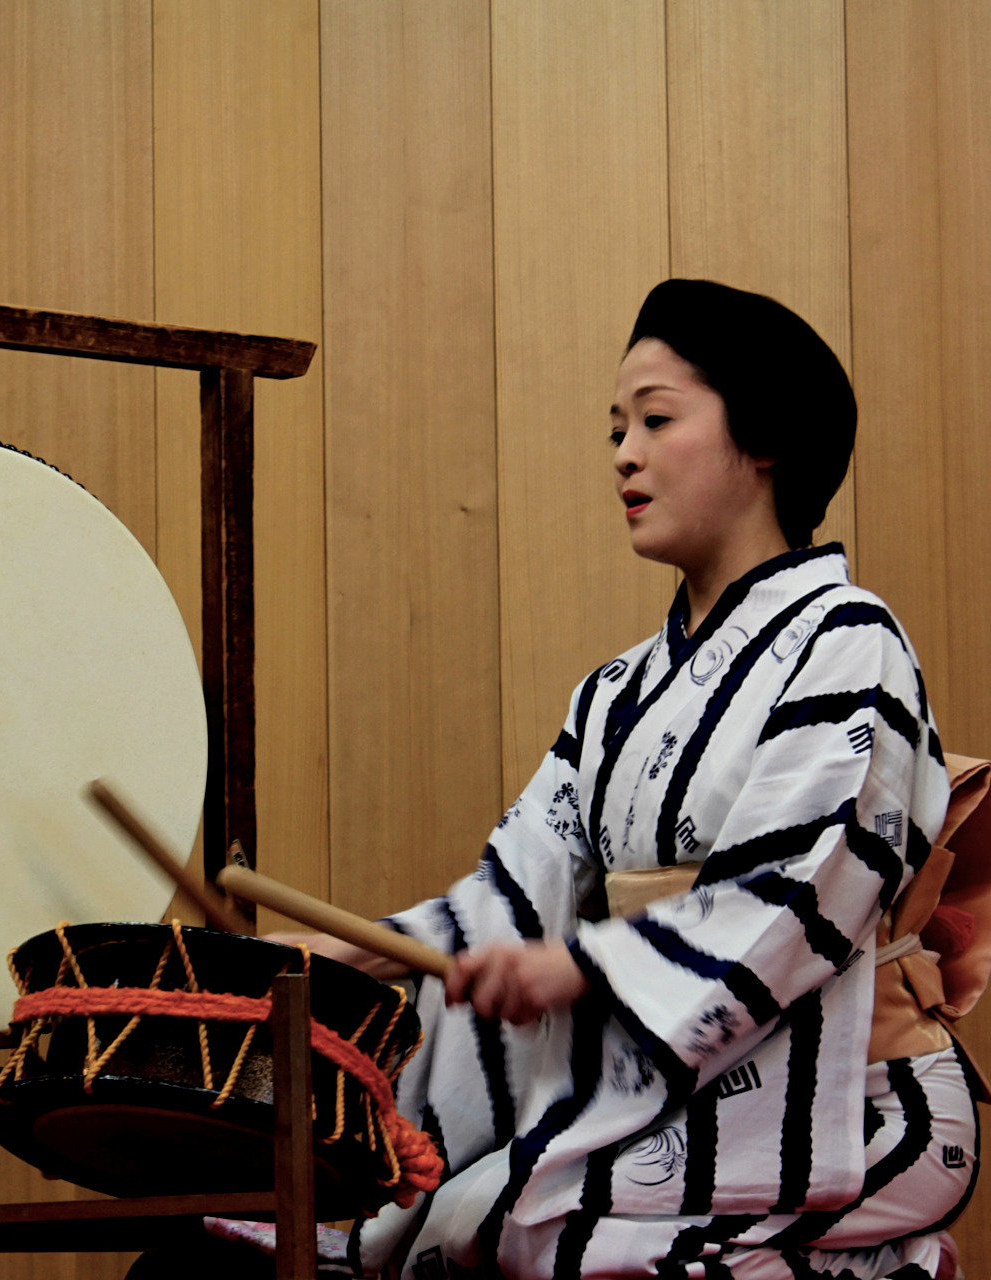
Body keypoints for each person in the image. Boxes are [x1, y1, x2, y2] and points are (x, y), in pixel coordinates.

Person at [285, 280, 980, 1279]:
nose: (624, 452)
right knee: (443, 1218)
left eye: (656, 418)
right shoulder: (612, 693)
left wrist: (584, 965)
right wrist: (352, 949)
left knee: (523, 1226)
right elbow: (514, 897)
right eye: (616, 426)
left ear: (766, 436)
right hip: (675, 1084)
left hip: (843, 1099)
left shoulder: (845, 639)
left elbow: (793, 892)